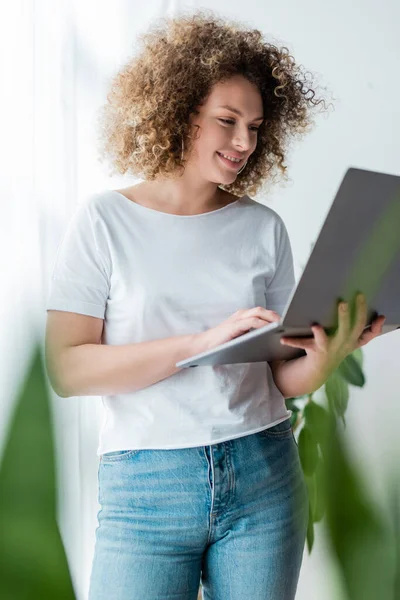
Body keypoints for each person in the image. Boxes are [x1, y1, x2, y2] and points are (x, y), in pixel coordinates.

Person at [45, 9, 384, 600]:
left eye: (254, 126)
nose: (244, 142)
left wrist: (331, 352)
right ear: (177, 111)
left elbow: (282, 377)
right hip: (146, 487)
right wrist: (201, 344)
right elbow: (67, 367)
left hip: (263, 473)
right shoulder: (104, 220)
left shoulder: (261, 227)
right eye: (227, 121)